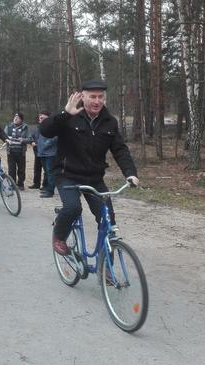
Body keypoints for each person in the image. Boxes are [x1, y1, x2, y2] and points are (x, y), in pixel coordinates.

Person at [39, 80, 139, 255]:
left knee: (108, 221)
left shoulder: (109, 122)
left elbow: (120, 150)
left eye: (101, 97)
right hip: (67, 175)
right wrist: (64, 114)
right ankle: (59, 236)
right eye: (92, 96)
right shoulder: (69, 116)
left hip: (94, 178)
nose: (97, 101)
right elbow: (45, 131)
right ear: (82, 97)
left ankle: (106, 268)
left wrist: (130, 173)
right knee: (73, 208)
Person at [4, 112, 29, 190]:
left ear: (21, 120)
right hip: (10, 151)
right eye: (14, 117)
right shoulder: (8, 126)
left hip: (21, 152)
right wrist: (7, 139)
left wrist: (23, 140)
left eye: (17, 118)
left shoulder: (25, 127)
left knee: (21, 169)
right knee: (11, 169)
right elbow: (3, 135)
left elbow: (30, 138)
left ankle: (21, 184)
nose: (15, 118)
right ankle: (12, 185)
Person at [36, 111, 57, 198]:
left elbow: (56, 137)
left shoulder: (53, 127)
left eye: (42, 118)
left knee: (50, 172)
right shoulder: (39, 127)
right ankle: (47, 188)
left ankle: (50, 191)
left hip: (50, 154)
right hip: (42, 153)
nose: (40, 119)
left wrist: (46, 144)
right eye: (40, 118)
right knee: (47, 172)